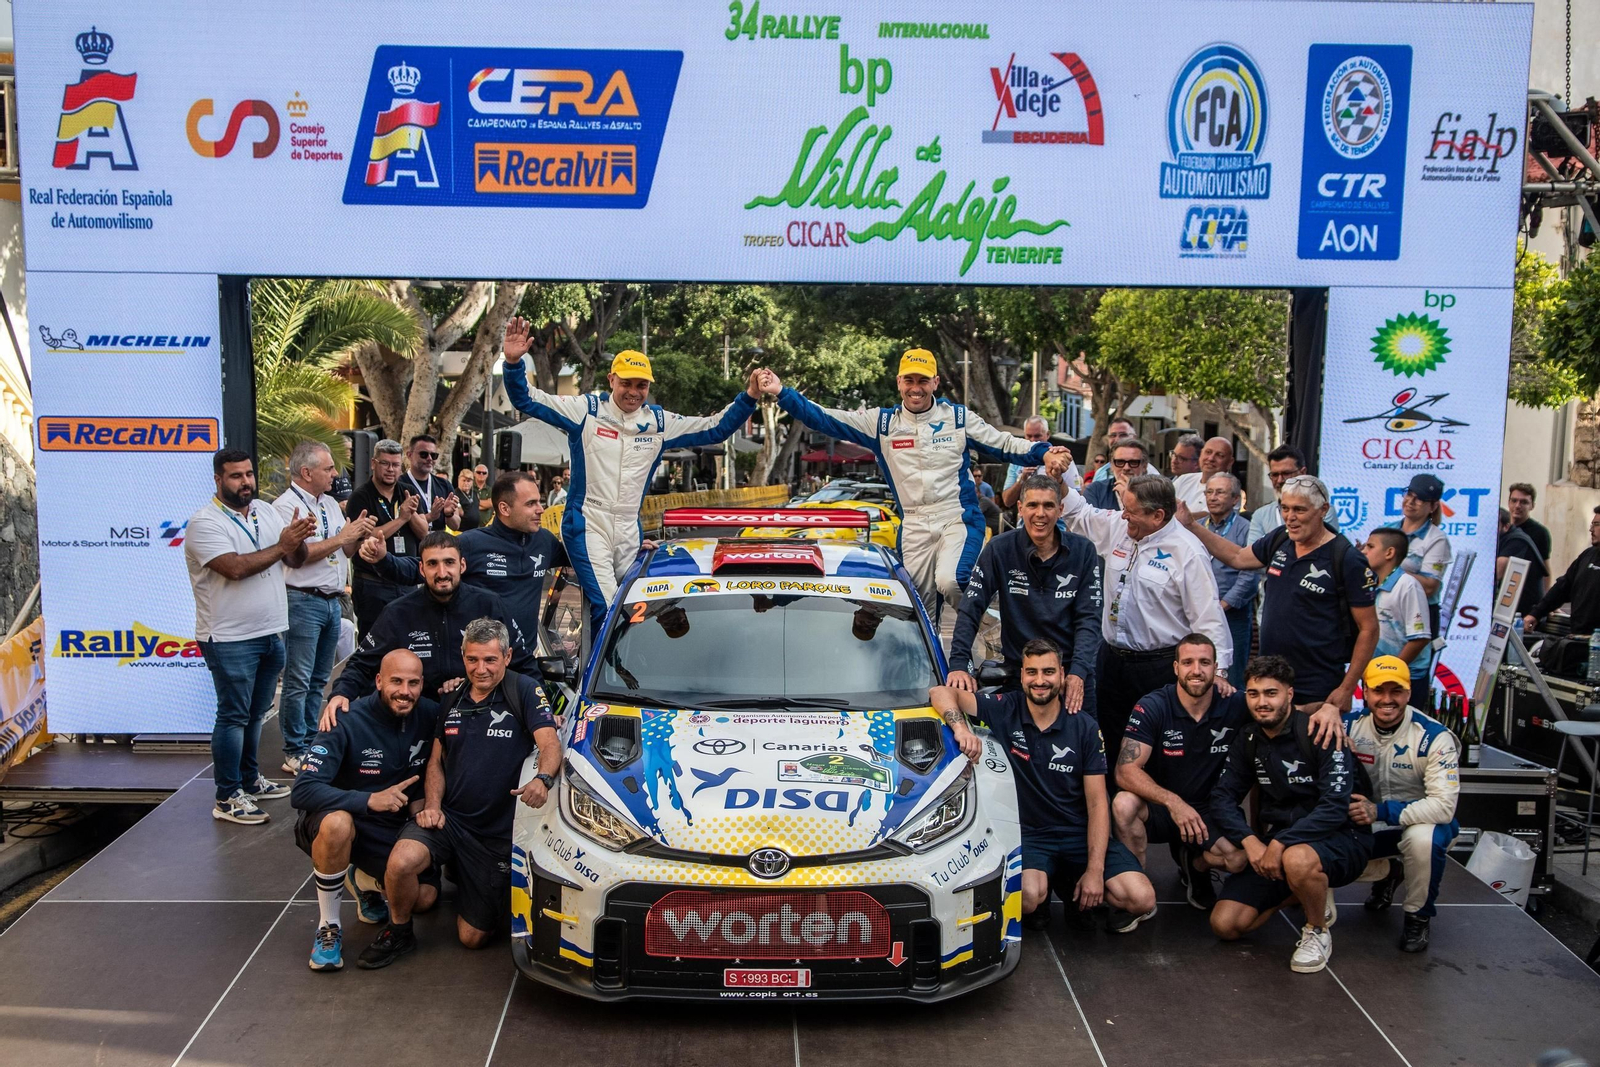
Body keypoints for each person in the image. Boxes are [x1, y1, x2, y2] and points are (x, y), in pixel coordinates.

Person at [502, 318, 758, 628]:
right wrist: (514, 362)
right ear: (611, 380)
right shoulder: (587, 410)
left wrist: (750, 397)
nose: (633, 392)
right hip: (588, 522)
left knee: (640, 602)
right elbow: (527, 399)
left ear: (649, 386)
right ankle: (598, 676)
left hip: (628, 528)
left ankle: (639, 663)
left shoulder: (661, 423)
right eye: (626, 383)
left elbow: (715, 428)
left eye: (641, 385)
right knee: (610, 607)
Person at [763, 354, 1055, 617]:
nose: (916, 387)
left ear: (936, 382)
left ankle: (993, 635)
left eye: (923, 380)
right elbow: (826, 418)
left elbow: (1004, 443)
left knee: (952, 580)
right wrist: (781, 392)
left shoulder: (957, 418)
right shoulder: (882, 423)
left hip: (957, 517)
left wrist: (1044, 451)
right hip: (914, 525)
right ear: (899, 382)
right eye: (910, 380)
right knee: (917, 613)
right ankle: (928, 666)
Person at [360, 618, 560, 968]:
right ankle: (399, 931)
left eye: (489, 660)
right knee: (401, 862)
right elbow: (436, 761)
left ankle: (471, 881)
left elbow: (550, 743)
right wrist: (433, 806)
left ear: (508, 656)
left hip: (495, 837)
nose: (479, 669)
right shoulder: (451, 696)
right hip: (451, 820)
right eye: (472, 660)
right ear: (463, 656)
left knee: (471, 938)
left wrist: (542, 779)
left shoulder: (524, 690)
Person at [932, 640, 1158, 933]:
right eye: (1032, 672)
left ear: (1062, 675)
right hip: (1032, 836)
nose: (1040, 681)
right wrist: (960, 727)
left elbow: (1098, 805)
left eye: (1048, 672)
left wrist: (1094, 870)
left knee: (1142, 898)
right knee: (1026, 897)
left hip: (1078, 833)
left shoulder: (1085, 727)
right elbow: (940, 692)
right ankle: (1049, 891)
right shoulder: (1006, 707)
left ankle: (1072, 884)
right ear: (1022, 675)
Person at [1045, 455, 1232, 769]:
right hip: (1112, 662)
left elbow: (1208, 617)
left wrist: (1219, 673)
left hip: (1158, 667)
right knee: (1110, 742)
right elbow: (1081, 514)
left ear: (1158, 515)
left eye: (1131, 513)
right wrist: (1059, 479)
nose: (1124, 518)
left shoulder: (1187, 551)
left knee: (1156, 749)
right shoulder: (1122, 527)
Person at [1208, 656, 1374, 973]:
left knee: (1297, 859)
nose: (1262, 702)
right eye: (1254, 694)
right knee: (1225, 924)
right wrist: (1251, 842)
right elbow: (1222, 798)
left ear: (1289, 694)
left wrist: (1281, 843)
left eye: (1271, 693)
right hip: (1278, 843)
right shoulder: (1249, 739)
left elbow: (1335, 807)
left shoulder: (1321, 731)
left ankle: (1317, 930)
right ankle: (1303, 891)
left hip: (1341, 837)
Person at [184, 450, 316, 825]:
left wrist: (299, 538)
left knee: (257, 714)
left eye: (248, 474)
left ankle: (249, 780)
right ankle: (226, 796)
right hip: (228, 637)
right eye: (235, 476)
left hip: (270, 630)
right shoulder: (204, 523)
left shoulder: (265, 509)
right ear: (218, 480)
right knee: (233, 715)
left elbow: (295, 560)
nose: (245, 482)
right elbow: (236, 568)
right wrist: (283, 545)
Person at [1181, 474, 1378, 723]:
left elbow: (1369, 629)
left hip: (1317, 689)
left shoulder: (1346, 558)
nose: (1290, 517)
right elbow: (1239, 558)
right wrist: (1191, 525)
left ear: (1323, 510)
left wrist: (1347, 688)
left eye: (1299, 510)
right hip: (1271, 680)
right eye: (1284, 508)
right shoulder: (1281, 538)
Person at [290, 649, 440, 971]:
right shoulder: (343, 718)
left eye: (413, 683)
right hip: (343, 819)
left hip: (389, 825)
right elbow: (302, 790)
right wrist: (368, 800)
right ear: (378, 681)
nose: (405, 691)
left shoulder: (430, 714)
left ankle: (363, 879)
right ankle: (328, 926)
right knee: (338, 825)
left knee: (424, 898)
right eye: (396, 681)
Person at [323, 532, 537, 724]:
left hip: (478, 715)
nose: (442, 572)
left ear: (462, 565)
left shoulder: (489, 604)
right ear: (421, 569)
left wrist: (543, 711)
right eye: (433, 564)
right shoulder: (397, 612)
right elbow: (361, 664)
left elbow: (522, 662)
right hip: (415, 719)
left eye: (449, 563)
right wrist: (340, 695)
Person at [1113, 634, 1250, 910]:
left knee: (1238, 859)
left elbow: (1282, 713)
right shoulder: (1153, 705)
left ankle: (1195, 865)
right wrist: (1174, 802)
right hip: (1162, 807)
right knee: (1123, 804)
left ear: (1216, 668)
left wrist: (1326, 710)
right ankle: (1137, 890)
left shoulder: (1236, 704)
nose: (1196, 670)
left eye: (1204, 663)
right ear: (1176, 668)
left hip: (1210, 810)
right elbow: (1125, 771)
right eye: (1188, 662)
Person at [359, 471, 566, 652]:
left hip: (522, 661)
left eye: (539, 502)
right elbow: (418, 569)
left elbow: (586, 562)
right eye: (531, 504)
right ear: (504, 508)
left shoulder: (544, 541)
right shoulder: (472, 542)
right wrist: (383, 559)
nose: (541, 509)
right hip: (475, 664)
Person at [946, 475, 1102, 710]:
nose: (1041, 513)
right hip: (1021, 676)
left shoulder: (1084, 551)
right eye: (1032, 505)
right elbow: (971, 607)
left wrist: (1079, 673)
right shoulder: (1000, 549)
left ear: (1060, 509)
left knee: (1084, 744)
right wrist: (959, 663)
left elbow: (1089, 619)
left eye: (1048, 505)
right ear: (1020, 508)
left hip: (1070, 676)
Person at [1345, 656, 1460, 954]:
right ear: (1364, 691)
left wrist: (1381, 811)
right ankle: (1387, 873)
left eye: (1396, 691)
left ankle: (1417, 916)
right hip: (1364, 823)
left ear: (1409, 693)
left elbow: (1444, 807)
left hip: (1418, 824)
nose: (1387, 699)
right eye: (1378, 690)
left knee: (1423, 839)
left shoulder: (1434, 736)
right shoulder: (1347, 727)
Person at [273, 442, 375, 775]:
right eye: (328, 468)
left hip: (333, 600)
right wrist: (341, 537)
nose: (335, 474)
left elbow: (344, 552)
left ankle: (311, 741)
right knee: (299, 679)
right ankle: (294, 748)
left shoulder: (330, 503)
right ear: (306, 472)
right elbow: (296, 556)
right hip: (301, 599)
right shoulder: (285, 507)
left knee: (320, 679)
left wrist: (357, 535)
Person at [344, 439, 423, 634]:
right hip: (373, 584)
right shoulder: (360, 496)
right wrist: (401, 518)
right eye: (385, 463)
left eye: (396, 465)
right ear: (373, 463)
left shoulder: (408, 491)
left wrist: (411, 514)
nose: (391, 469)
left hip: (406, 581)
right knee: (374, 642)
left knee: (408, 640)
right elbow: (365, 536)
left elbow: (423, 532)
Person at [1198, 473, 1258, 687]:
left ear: (1235, 499)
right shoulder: (1196, 526)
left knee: (1231, 676)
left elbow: (1250, 574)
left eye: (1220, 492)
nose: (1213, 497)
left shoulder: (1246, 529)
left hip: (1232, 614)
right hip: (1198, 612)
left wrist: (1223, 605)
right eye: (1209, 492)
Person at [1360, 528, 1434, 693]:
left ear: (1389, 553)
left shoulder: (1408, 585)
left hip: (1405, 677)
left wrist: (1390, 671)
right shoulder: (1369, 584)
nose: (1364, 551)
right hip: (1374, 676)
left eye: (1370, 546)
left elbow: (1420, 638)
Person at [1525, 506, 1600, 637]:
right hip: (1578, 639)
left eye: (1596, 524)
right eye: (1591, 524)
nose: (1591, 529)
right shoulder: (1587, 555)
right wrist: (1536, 614)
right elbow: (1562, 588)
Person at [1397, 473, 1453, 638]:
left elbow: (1429, 587)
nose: (1411, 502)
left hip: (1419, 616)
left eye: (1420, 498)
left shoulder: (1437, 539)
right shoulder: (1388, 529)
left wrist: (1388, 570)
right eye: (1409, 494)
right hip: (1386, 613)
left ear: (1433, 506)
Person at [1248, 445, 1339, 543]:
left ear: (1303, 472)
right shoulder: (1261, 515)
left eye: (1286, 473)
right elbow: (1252, 555)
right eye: (1274, 475)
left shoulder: (1322, 510)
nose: (1279, 480)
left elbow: (1324, 548)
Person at [401, 434, 461, 549]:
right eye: (423, 454)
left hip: (439, 548)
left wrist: (448, 514)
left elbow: (456, 525)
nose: (429, 459)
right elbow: (401, 521)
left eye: (433, 455)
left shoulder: (444, 484)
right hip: (411, 548)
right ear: (409, 455)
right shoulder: (400, 484)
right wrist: (431, 516)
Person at [1497, 507, 1549, 614]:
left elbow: (1497, 573)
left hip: (1526, 611)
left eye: (1495, 525)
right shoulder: (1501, 538)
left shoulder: (1516, 539)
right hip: (1512, 607)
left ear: (1506, 526)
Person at [1083, 436, 1152, 511]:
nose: (1126, 468)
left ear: (1144, 466)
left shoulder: (1156, 492)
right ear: (1111, 466)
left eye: (1133, 462)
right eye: (1120, 462)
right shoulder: (1095, 490)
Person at [1000, 415, 1053, 510]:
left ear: (1047, 435)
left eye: (1037, 436)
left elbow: (1074, 497)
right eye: (1029, 436)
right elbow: (1007, 501)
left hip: (1056, 521)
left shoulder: (1057, 458)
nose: (1033, 440)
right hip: (1025, 521)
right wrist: (1022, 479)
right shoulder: (1016, 461)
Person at [1172, 436, 1234, 512]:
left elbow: (1208, 517)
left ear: (1230, 462)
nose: (1211, 458)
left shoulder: (1231, 488)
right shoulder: (1184, 479)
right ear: (1201, 455)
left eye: (1219, 455)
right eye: (1208, 452)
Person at [1507, 482, 1552, 562]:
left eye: (1524, 502)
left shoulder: (1540, 533)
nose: (1517, 506)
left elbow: (1545, 568)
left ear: (1532, 506)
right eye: (1514, 501)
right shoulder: (1499, 528)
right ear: (1508, 503)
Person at [1089, 417, 1137, 484]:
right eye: (1113, 435)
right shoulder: (1101, 473)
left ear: (1134, 438)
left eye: (1123, 435)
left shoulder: (1149, 473)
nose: (1117, 439)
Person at [452, 466, 481, 531]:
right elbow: (460, 512)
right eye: (464, 480)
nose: (466, 483)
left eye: (468, 481)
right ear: (459, 480)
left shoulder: (476, 493)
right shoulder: (455, 494)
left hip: (475, 529)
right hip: (461, 530)